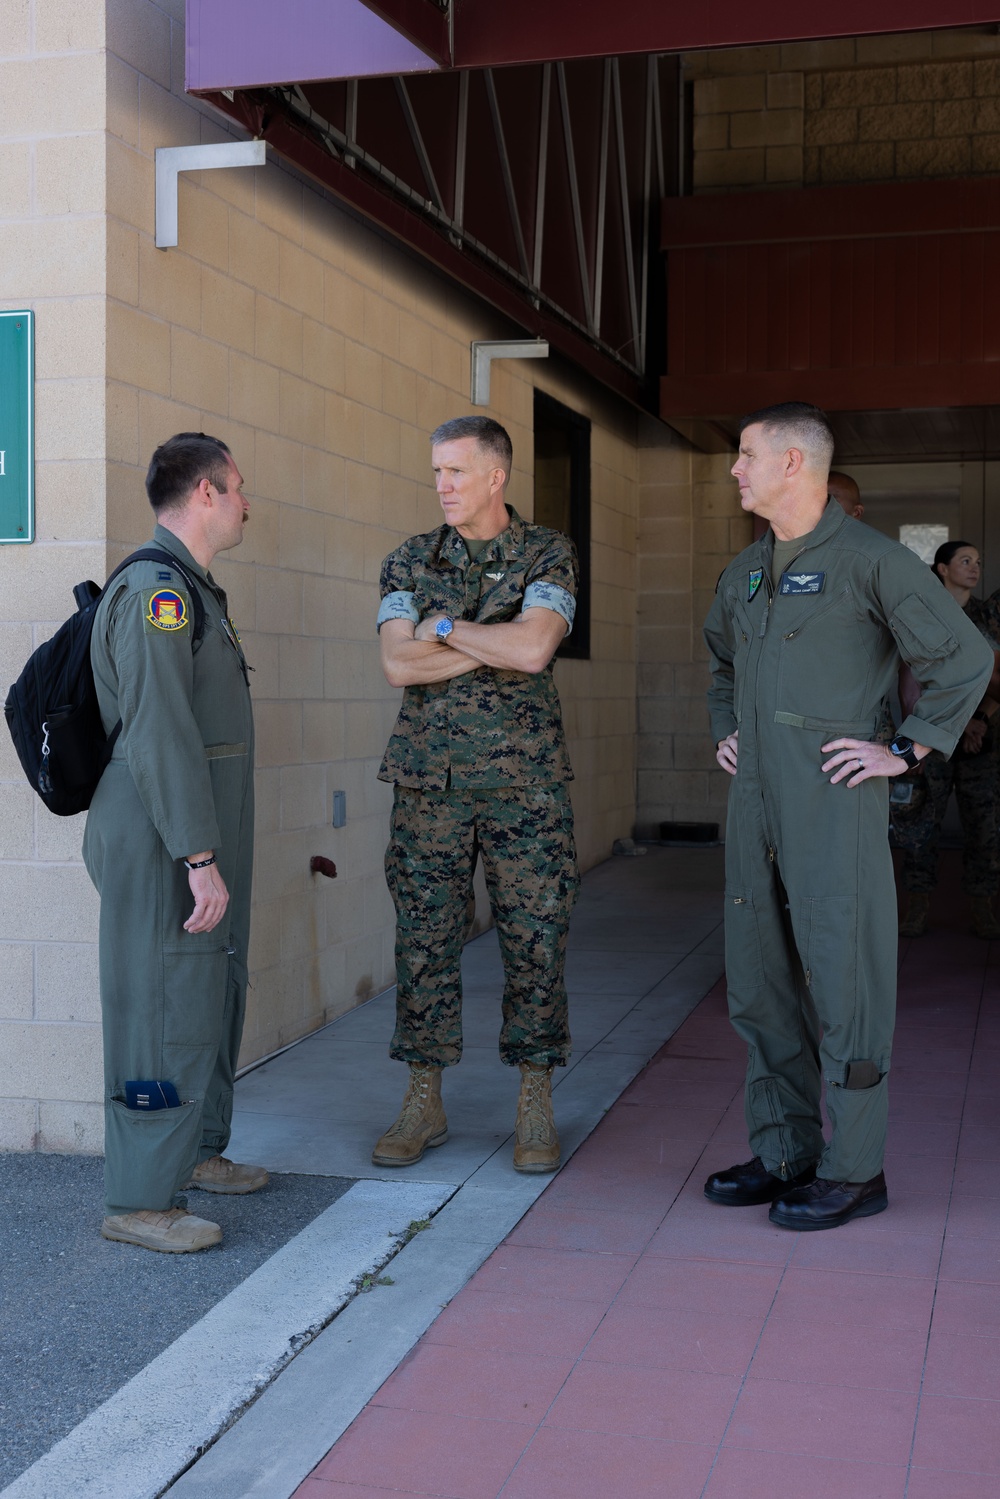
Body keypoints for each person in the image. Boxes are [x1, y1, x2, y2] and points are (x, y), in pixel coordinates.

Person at [703, 402, 992, 1231]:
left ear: (795, 462)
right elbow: (720, 661)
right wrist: (725, 728)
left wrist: (906, 750)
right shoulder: (746, 570)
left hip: (833, 800)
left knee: (846, 986)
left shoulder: (872, 562)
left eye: (746, 453)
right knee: (758, 982)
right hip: (755, 799)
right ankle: (786, 1149)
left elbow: (964, 659)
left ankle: (856, 1169)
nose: (736, 469)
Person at [374, 415, 579, 1175]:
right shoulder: (408, 558)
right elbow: (398, 666)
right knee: (424, 939)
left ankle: (535, 1099)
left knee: (536, 938)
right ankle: (422, 1099)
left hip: (525, 786)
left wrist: (446, 628)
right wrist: (490, 639)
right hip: (430, 784)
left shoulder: (548, 551)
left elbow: (534, 649)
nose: (442, 486)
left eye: (456, 472)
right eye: (436, 472)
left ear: (497, 476)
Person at [83, 433, 264, 1254]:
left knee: (206, 988)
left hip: (193, 825)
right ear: (205, 494)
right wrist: (197, 854)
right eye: (237, 489)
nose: (246, 503)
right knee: (158, 1002)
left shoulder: (194, 590)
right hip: (162, 832)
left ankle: (194, 1149)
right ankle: (141, 1200)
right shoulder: (160, 592)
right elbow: (157, 731)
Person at [894, 540, 1000, 939]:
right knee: (923, 825)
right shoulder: (926, 613)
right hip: (933, 738)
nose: (974, 568)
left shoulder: (987, 617)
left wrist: (980, 722)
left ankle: (982, 908)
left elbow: (994, 676)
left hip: (981, 741)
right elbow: (913, 681)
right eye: (965, 561)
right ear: (942, 568)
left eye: (978, 561)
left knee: (985, 827)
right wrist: (952, 726)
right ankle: (918, 907)